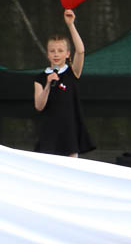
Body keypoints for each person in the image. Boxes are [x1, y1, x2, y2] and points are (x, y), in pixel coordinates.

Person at [33, 9, 94, 157]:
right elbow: (39, 106)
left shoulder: (72, 73)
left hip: (69, 135)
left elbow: (80, 51)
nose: (56, 54)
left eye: (60, 51)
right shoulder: (40, 78)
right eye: (52, 51)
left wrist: (71, 25)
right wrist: (48, 85)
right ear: (47, 54)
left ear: (67, 54)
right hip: (49, 135)